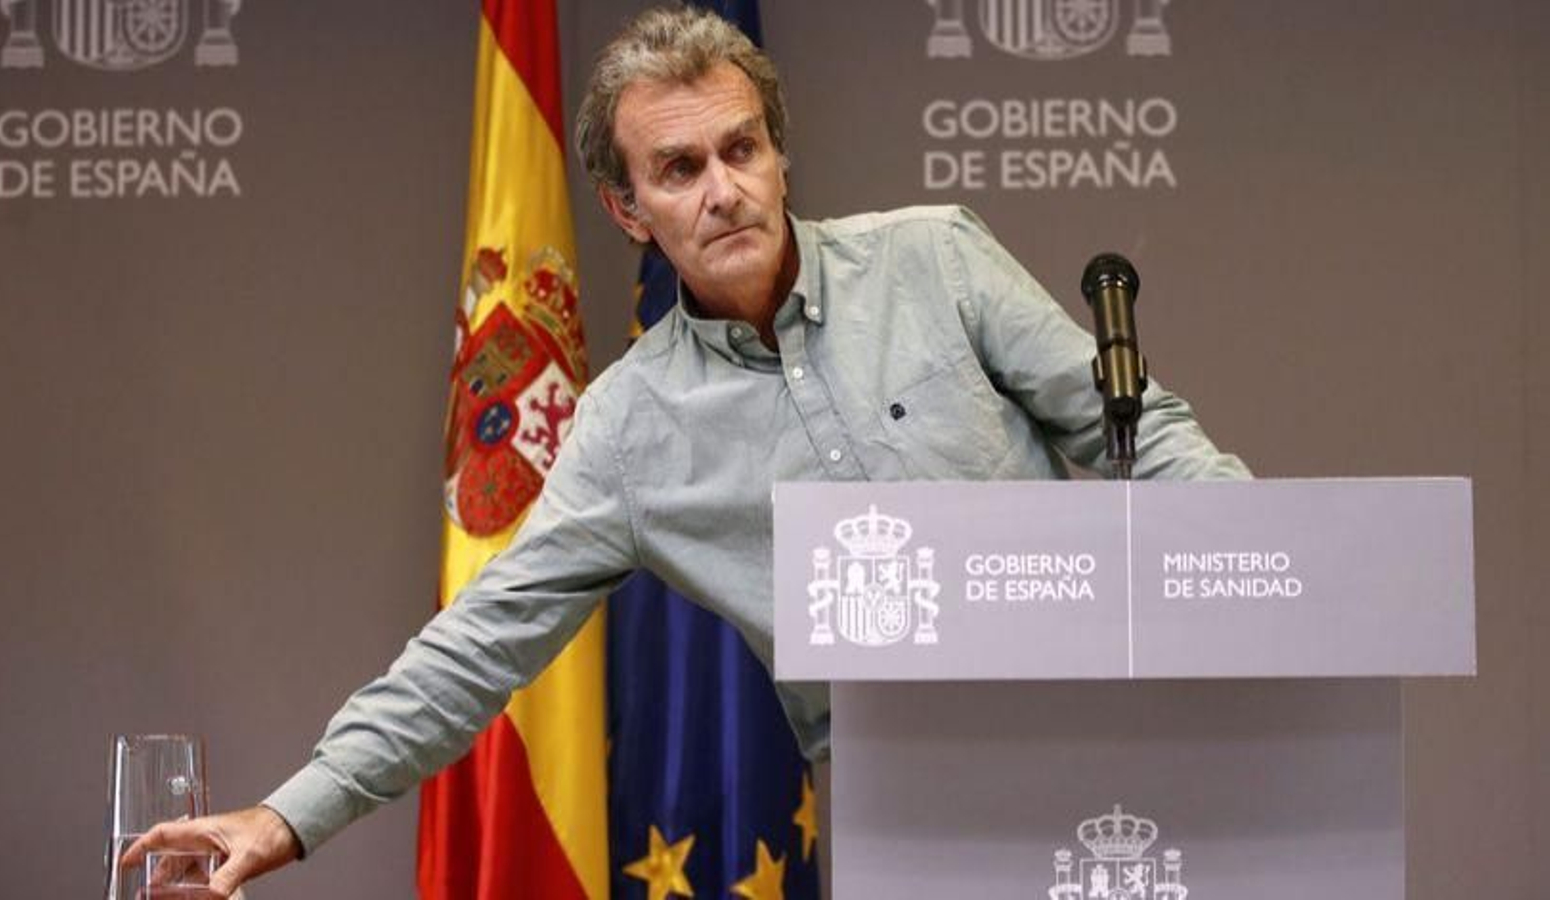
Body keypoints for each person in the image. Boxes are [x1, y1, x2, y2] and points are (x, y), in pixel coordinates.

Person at [124, 6, 1249, 895]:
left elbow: (1140, 428)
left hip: (1118, 745)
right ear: (625, 210)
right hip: (906, 815)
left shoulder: (936, 260)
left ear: (777, 155)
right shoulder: (627, 430)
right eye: (678, 170)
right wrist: (288, 814)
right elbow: (476, 649)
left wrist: (1260, 572)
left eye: (741, 148)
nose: (723, 190)